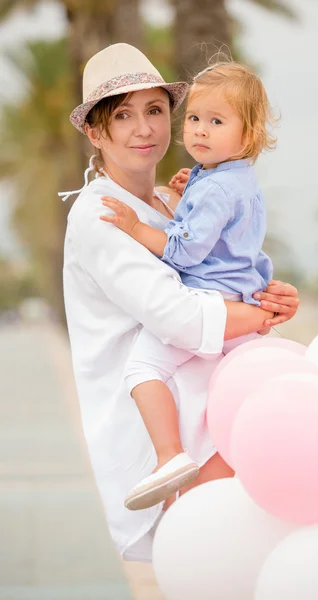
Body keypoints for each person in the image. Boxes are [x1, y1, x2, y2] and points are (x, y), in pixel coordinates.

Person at [62, 42, 300, 562]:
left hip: (211, 405)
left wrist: (267, 291)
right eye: (122, 115)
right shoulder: (100, 214)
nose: (144, 128)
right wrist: (262, 317)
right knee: (221, 563)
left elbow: (224, 264)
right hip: (165, 426)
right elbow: (179, 316)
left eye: (154, 110)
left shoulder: (174, 200)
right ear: (94, 132)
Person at [99, 61, 276, 511]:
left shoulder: (215, 188)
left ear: (249, 134)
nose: (199, 131)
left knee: (143, 369)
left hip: (207, 300)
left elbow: (186, 251)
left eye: (217, 122)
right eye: (195, 118)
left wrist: (138, 228)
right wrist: (185, 199)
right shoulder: (229, 179)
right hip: (233, 299)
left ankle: (169, 455)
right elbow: (227, 239)